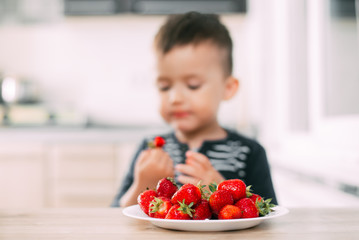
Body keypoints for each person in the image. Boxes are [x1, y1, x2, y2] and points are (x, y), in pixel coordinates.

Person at [111, 11, 277, 207]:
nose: (175, 98)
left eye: (193, 85)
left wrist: (221, 192)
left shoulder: (250, 152)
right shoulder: (149, 150)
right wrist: (143, 185)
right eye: (164, 87)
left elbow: (268, 216)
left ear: (228, 88)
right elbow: (117, 215)